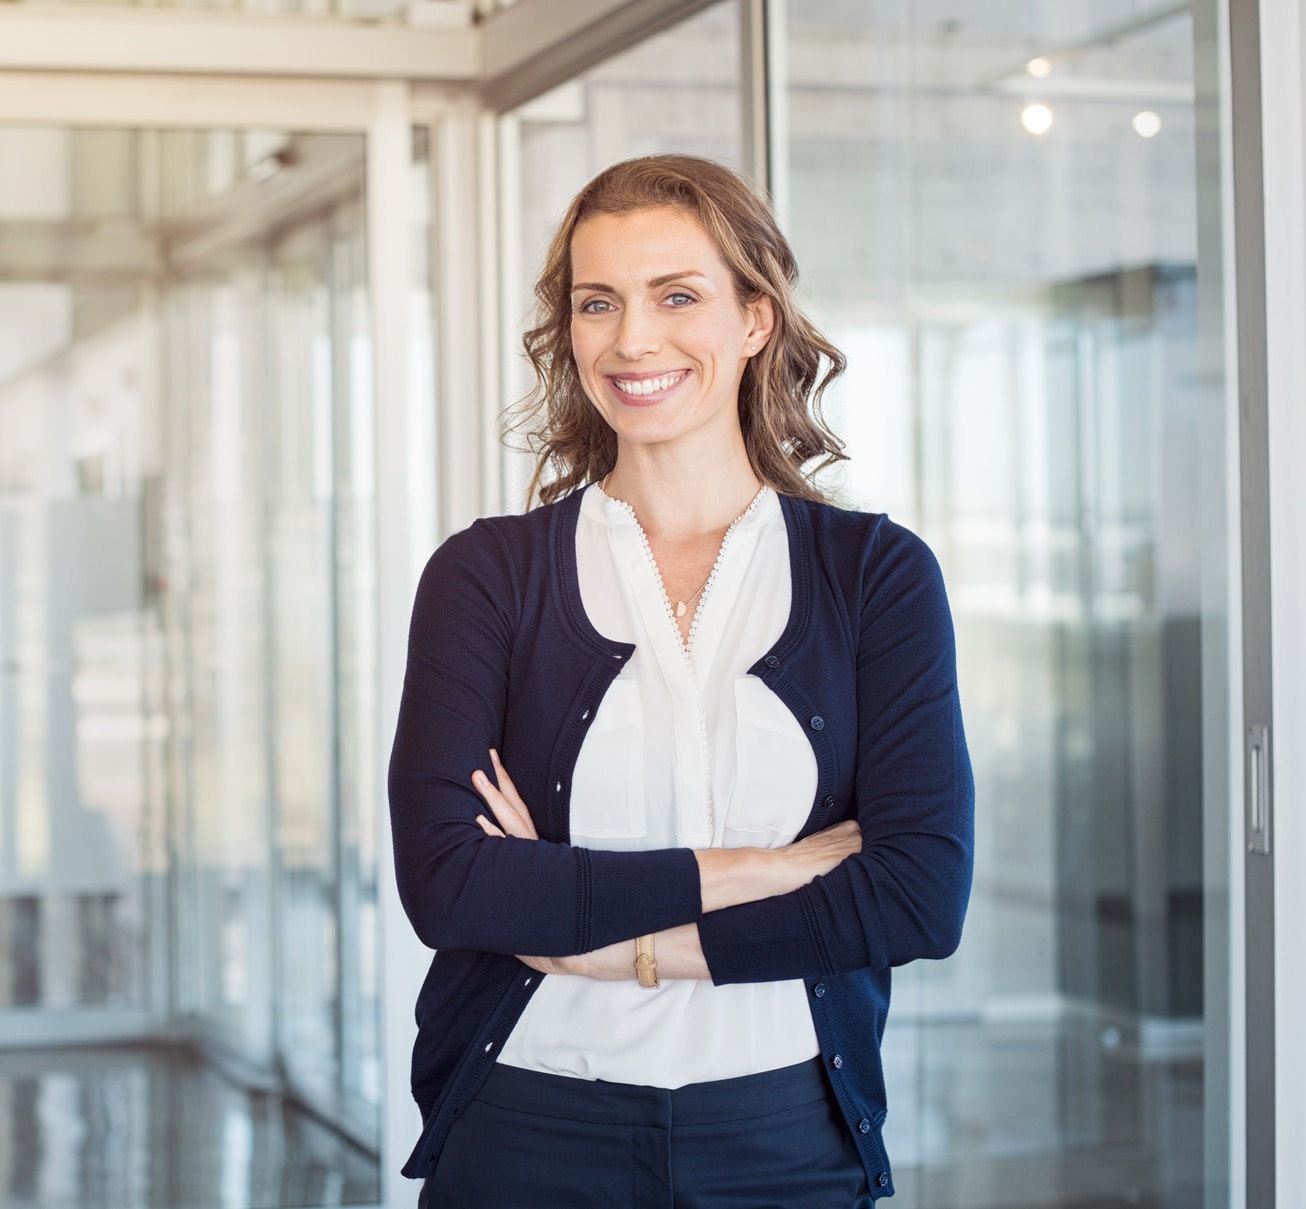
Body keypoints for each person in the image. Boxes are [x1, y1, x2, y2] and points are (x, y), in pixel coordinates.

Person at [388, 154, 974, 1208]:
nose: (632, 340)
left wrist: (623, 947)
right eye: (596, 303)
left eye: (677, 296)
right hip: (526, 1127)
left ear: (755, 317)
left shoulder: (874, 577)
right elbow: (452, 886)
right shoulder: (488, 576)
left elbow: (918, 897)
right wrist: (772, 865)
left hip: (785, 1138)